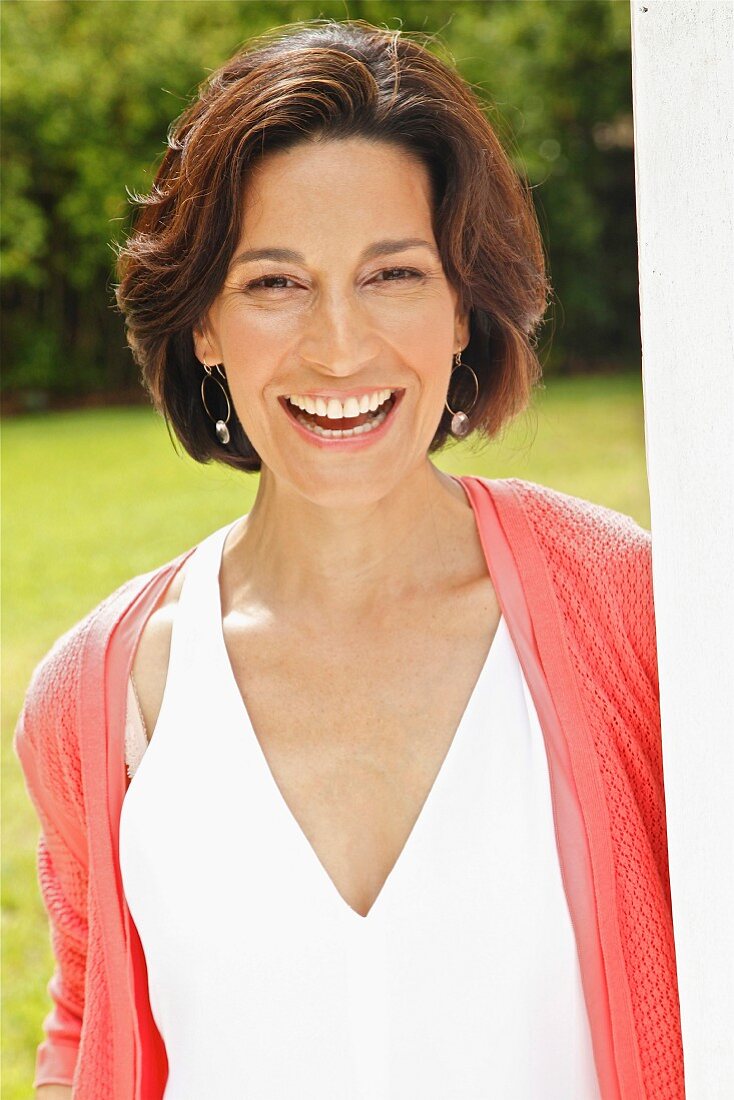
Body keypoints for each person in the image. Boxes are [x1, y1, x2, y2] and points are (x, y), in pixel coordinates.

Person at [15, 18, 685, 1100]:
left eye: (391, 274)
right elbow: (88, 1028)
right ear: (203, 327)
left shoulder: (634, 613)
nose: (337, 346)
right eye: (274, 283)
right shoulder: (104, 695)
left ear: (462, 305)